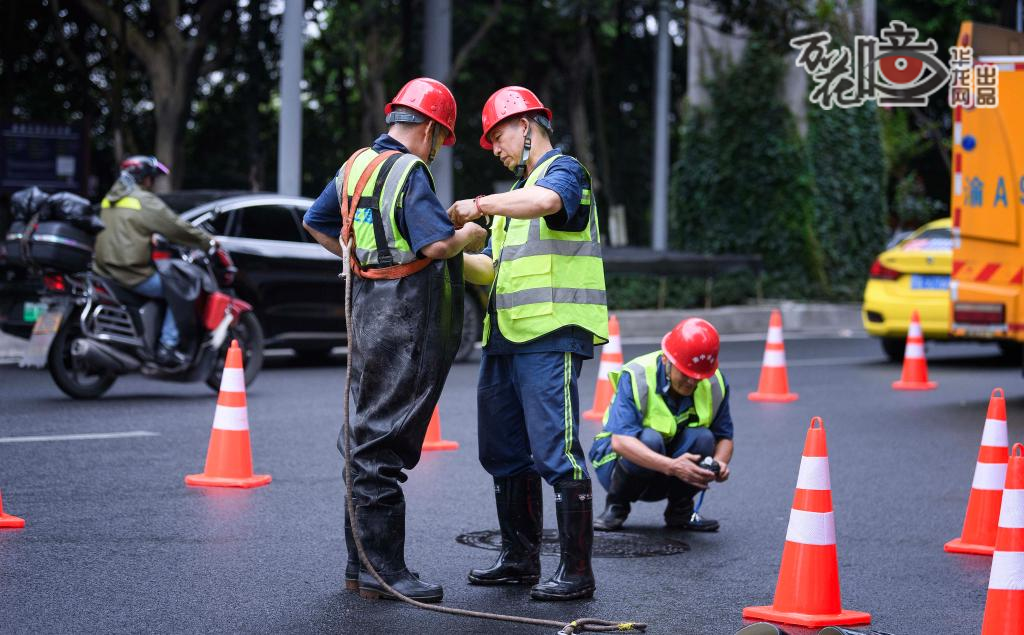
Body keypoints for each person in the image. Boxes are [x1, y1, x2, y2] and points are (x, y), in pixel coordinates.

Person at [302, 77, 487, 604]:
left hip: (366, 307)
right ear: (428, 128)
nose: (436, 150)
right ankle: (385, 574)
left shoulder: (355, 165)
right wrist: (467, 237)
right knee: (384, 439)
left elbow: (316, 222)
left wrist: (359, 258)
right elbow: (437, 243)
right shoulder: (410, 170)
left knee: (364, 430)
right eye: (439, 139)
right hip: (405, 314)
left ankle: (360, 569)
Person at [450, 86, 608, 601]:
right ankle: (519, 559)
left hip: (551, 334)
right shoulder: (511, 199)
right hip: (505, 339)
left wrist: (479, 204)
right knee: (503, 452)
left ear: (527, 126)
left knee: (556, 451)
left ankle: (577, 573)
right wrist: (443, 258)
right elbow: (491, 268)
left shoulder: (564, 172)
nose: (495, 148)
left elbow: (550, 203)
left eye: (498, 136)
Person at [588, 318, 734, 532]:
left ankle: (680, 512)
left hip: (670, 472)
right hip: (617, 464)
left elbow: (725, 437)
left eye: (698, 377)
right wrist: (673, 466)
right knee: (650, 439)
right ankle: (616, 506)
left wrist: (719, 464)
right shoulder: (637, 376)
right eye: (685, 374)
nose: (692, 383)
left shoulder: (714, 383)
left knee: (703, 438)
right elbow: (620, 442)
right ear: (666, 359)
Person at [93, 155, 215, 366]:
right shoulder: (143, 200)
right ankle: (167, 346)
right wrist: (206, 241)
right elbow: (174, 226)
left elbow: (125, 228)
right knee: (180, 288)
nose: (152, 182)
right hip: (131, 273)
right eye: (151, 177)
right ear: (144, 178)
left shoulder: (111, 197)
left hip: (104, 269)